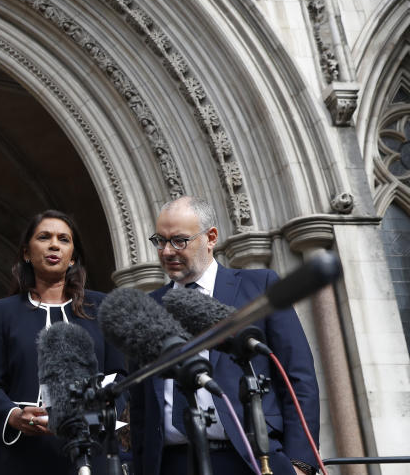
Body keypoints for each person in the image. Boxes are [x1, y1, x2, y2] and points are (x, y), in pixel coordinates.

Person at [129, 196, 320, 475]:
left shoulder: (259, 288)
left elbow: (298, 377)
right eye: (160, 240)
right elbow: (141, 404)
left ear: (211, 237)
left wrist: (301, 463)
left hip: (251, 459)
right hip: (172, 464)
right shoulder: (147, 309)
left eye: (179, 240)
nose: (167, 251)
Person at [0, 210, 126, 474]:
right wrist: (14, 416)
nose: (54, 244)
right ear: (26, 253)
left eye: (63, 239)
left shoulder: (101, 307)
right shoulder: (3, 312)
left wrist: (93, 417)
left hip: (91, 452)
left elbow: (121, 379)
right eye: (44, 237)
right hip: (25, 454)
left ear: (72, 258)